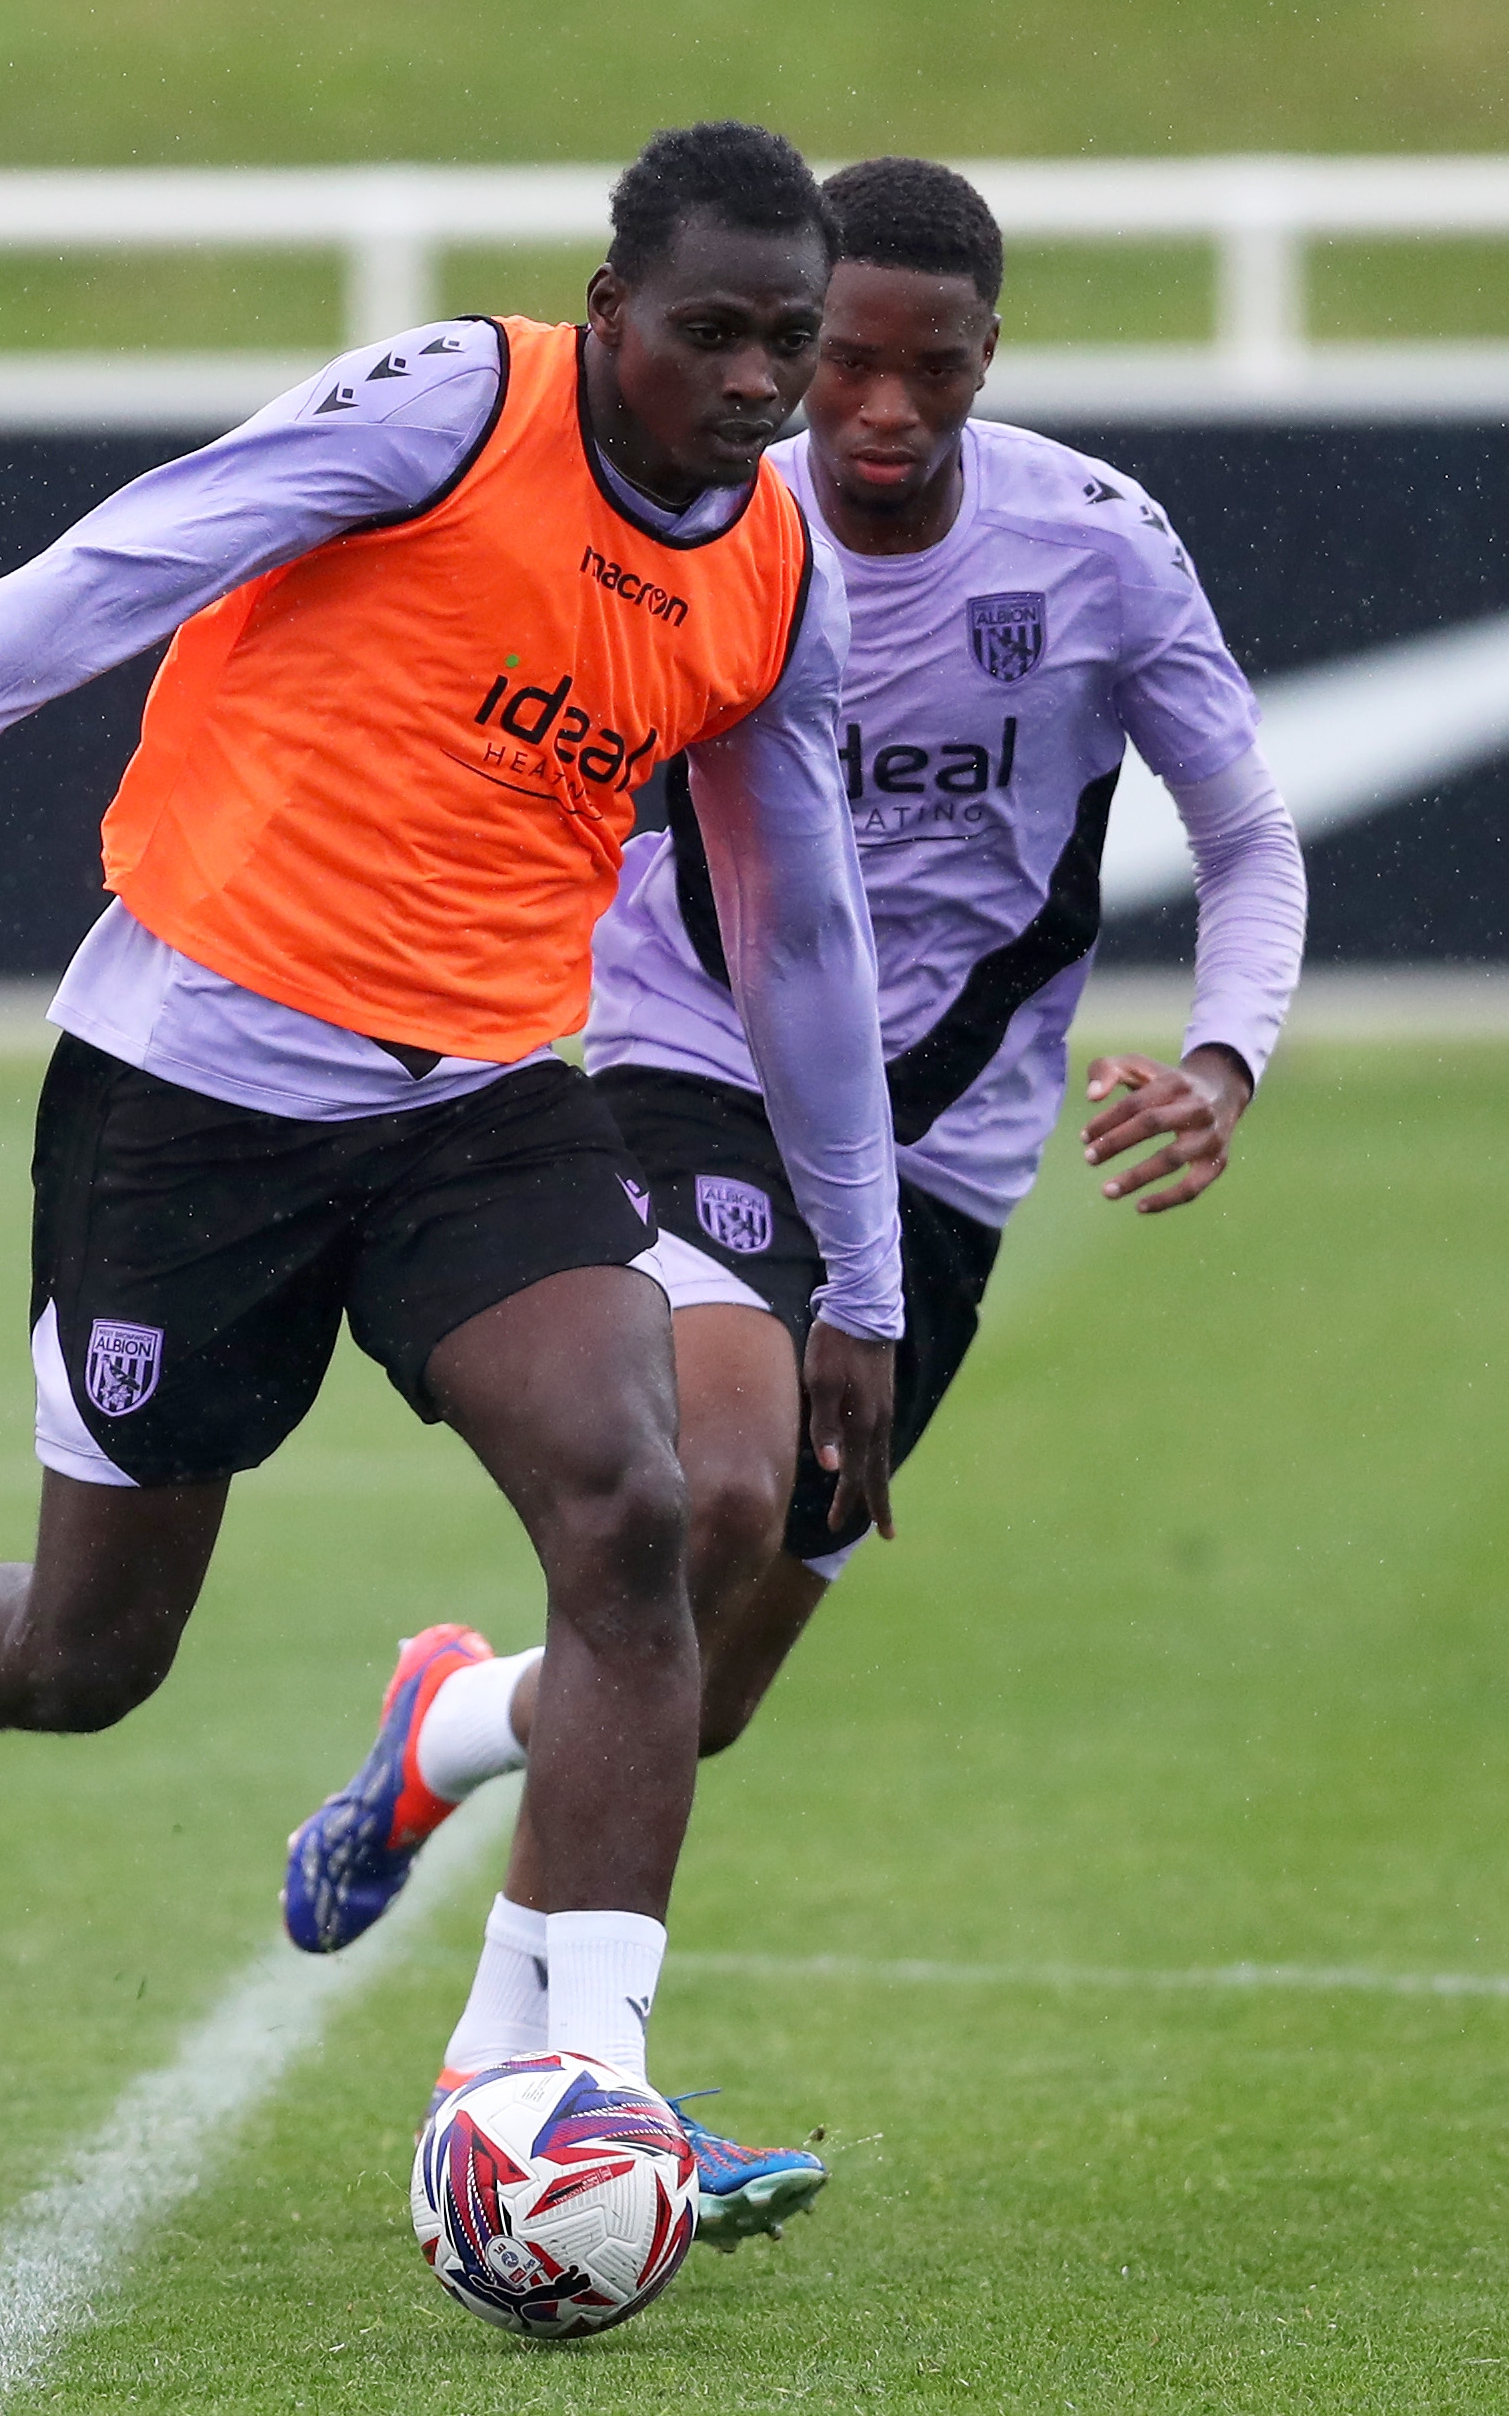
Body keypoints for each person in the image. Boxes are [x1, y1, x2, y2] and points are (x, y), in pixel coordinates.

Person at [0, 127, 903, 2200]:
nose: (760, 384)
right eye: (713, 335)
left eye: (790, 339)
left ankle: (567, 2087)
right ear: (607, 315)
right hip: (193, 1094)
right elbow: (139, 551)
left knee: (634, 1514)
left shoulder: (769, 571)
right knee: (87, 1658)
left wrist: (852, 1281)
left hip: (481, 1104)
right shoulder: (448, 406)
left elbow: (799, 932)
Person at [275, 156, 1309, 2243]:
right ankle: (569, 2095)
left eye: (930, 370)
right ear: (795, 340)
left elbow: (1248, 831)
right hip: (680, 1069)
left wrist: (1219, 1062)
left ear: (985, 360)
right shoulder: (708, 528)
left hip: (948, 1159)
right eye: (843, 360)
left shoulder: (1095, 550)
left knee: (705, 1680)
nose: (880, 411)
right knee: (716, 1491)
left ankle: (456, 1736)